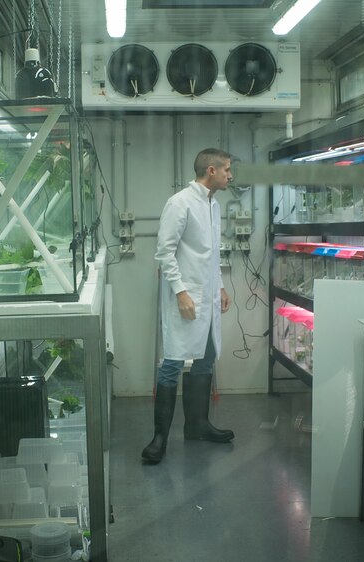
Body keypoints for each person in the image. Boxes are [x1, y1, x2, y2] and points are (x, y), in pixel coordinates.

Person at [142, 148, 235, 464]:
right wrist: (181, 292)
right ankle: (159, 438)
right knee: (171, 363)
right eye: (226, 170)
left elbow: (211, 254)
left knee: (206, 358)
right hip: (186, 299)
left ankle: (197, 425)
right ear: (211, 171)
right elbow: (164, 253)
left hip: (207, 299)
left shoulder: (214, 205)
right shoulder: (180, 203)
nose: (230, 176)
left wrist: (220, 287)